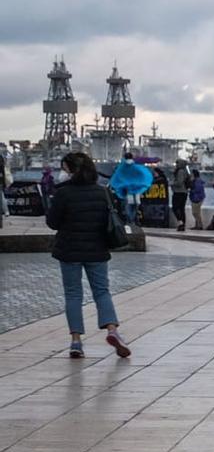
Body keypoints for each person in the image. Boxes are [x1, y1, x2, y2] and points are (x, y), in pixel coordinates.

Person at [45, 153, 133, 360]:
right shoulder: (102, 192)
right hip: (97, 250)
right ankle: (112, 330)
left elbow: (53, 223)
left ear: (70, 171)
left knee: (74, 294)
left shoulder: (63, 193)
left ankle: (76, 341)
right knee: (102, 292)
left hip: (69, 250)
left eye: (65, 169)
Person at [168, 159, 190, 231]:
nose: (176, 165)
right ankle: (182, 223)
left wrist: (172, 183)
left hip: (179, 192)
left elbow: (179, 182)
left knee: (175, 208)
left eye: (177, 163)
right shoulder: (186, 171)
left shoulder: (180, 171)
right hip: (184, 192)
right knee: (181, 208)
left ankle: (180, 222)